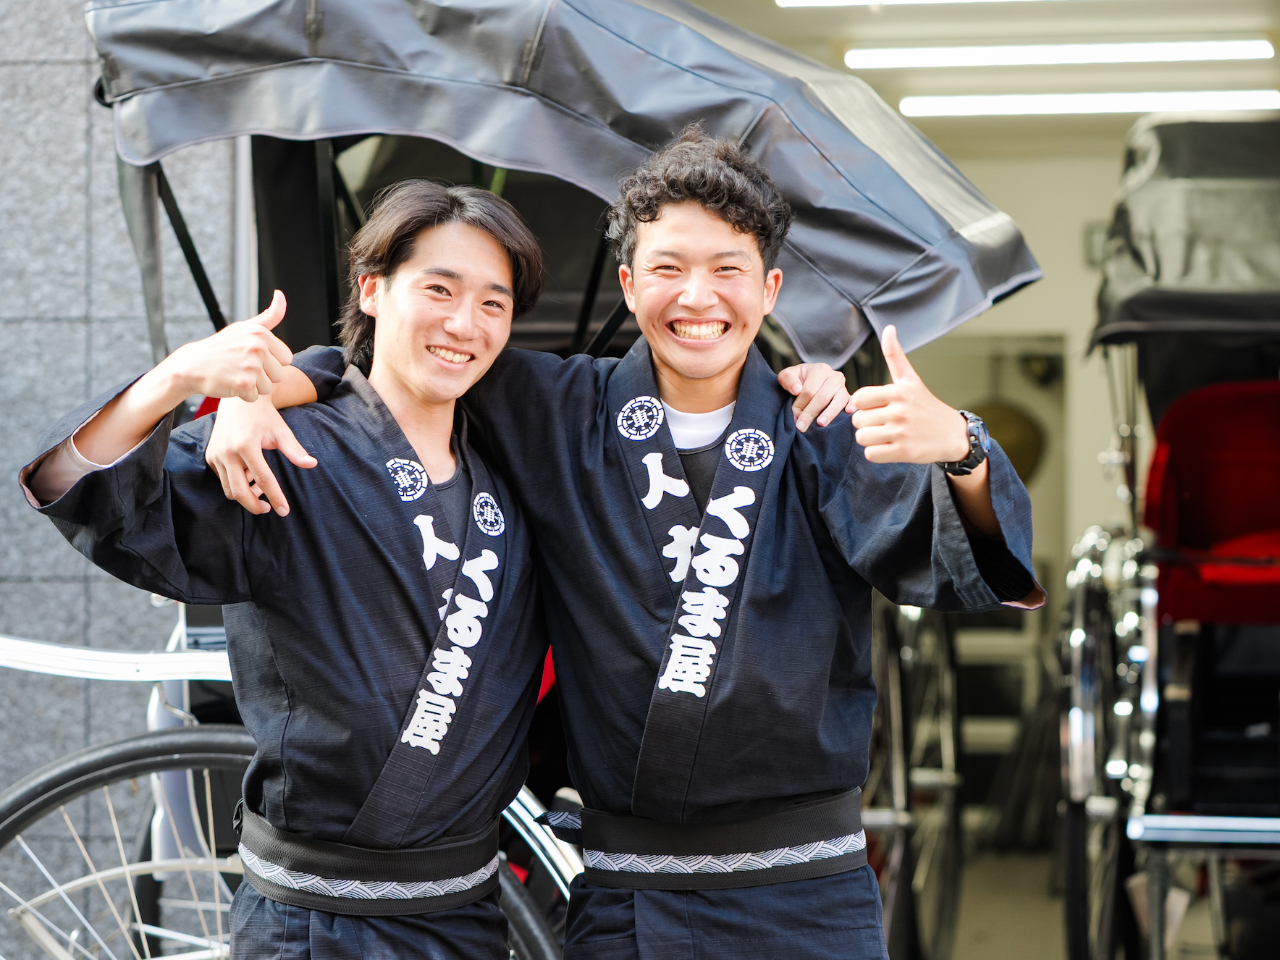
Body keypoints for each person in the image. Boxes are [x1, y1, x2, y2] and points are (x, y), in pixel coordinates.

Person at [210, 129, 1044, 960]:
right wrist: (266, 389)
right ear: (629, 281)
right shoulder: (557, 408)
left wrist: (963, 449)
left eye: (728, 271)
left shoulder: (818, 425)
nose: (698, 298)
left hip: (806, 898)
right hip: (627, 902)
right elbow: (406, 361)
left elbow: (950, 569)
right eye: (669, 269)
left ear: (770, 287)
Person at [20, 181, 555, 958]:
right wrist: (183, 379)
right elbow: (80, 488)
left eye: (492, 304)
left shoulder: (513, 459)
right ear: (372, 289)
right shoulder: (283, 450)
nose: (462, 324)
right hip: (315, 925)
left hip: (466, 913)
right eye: (438, 290)